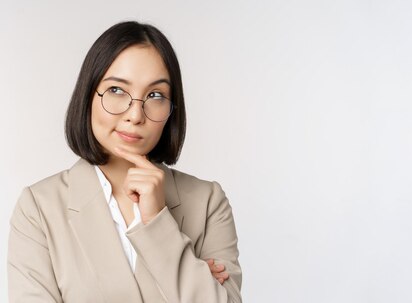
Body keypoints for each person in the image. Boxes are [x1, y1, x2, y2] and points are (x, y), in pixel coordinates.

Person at [7, 21, 242, 302]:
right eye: (117, 90)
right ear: (88, 95)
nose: (135, 114)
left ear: (171, 109)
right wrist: (194, 278)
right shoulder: (39, 207)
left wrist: (156, 221)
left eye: (155, 95)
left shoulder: (207, 202)